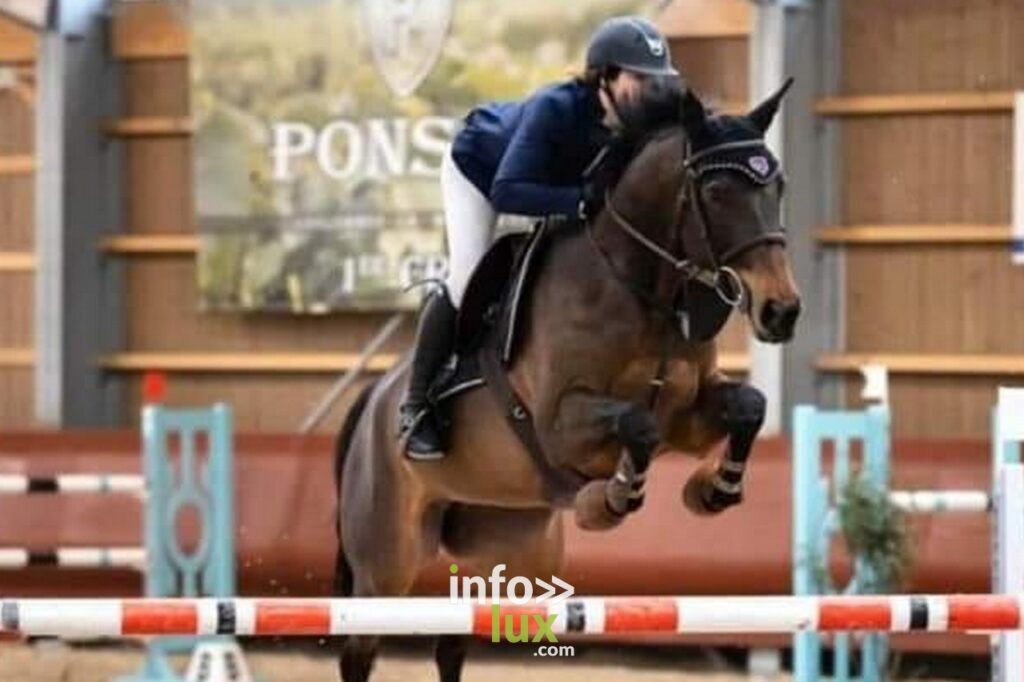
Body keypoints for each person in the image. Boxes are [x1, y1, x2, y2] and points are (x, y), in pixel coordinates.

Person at [400, 16, 680, 460]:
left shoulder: (636, 124)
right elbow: (508, 191)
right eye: (640, 79)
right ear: (605, 76)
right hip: (480, 170)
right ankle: (416, 406)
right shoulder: (557, 108)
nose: (650, 91)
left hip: (549, 186)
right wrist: (579, 203)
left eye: (657, 81)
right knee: (467, 276)